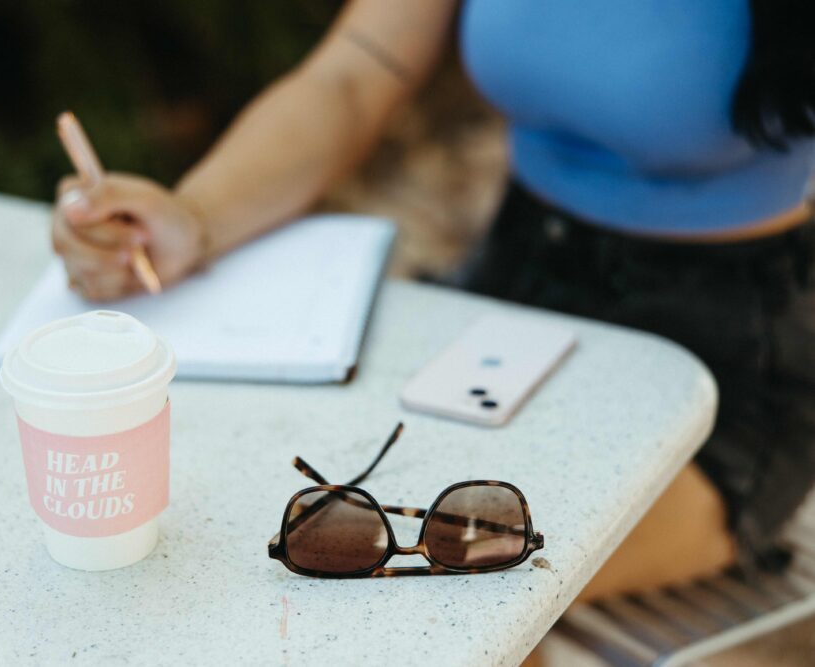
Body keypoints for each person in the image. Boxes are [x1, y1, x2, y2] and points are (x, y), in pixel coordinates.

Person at [53, 0, 815, 658]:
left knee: (456, 583)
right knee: (323, 542)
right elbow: (357, 69)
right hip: (509, 295)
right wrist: (193, 217)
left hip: (727, 353)